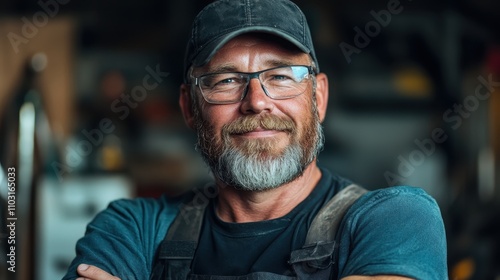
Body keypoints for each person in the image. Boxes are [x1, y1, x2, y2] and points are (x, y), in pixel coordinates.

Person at [63, 0, 448, 279]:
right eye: (227, 80)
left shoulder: (394, 221)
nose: (257, 102)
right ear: (189, 107)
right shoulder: (133, 231)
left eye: (281, 76)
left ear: (318, 98)